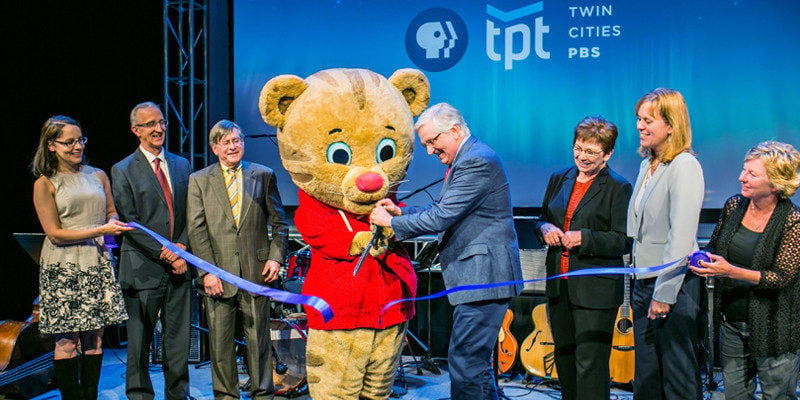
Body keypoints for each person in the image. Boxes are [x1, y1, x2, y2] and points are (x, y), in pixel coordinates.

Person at [370, 102, 523, 400]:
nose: (429, 150)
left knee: (466, 364)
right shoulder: (469, 157)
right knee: (474, 366)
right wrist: (400, 212)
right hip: (479, 279)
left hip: (484, 278)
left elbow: (442, 216)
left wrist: (390, 222)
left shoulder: (477, 160)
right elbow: (442, 208)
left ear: (453, 131)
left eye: (431, 142)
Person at [689, 141, 800, 400]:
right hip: (732, 324)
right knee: (735, 395)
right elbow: (716, 247)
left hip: (776, 328)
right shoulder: (734, 206)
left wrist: (730, 271)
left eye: (752, 173)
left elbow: (780, 277)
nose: (741, 177)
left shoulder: (793, 221)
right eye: (743, 170)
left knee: (778, 396)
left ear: (775, 183)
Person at [187, 120, 289, 399]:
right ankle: (226, 396)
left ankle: (263, 394)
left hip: (257, 274)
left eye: (237, 141)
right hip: (217, 275)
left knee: (259, 343)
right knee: (220, 346)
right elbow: (196, 230)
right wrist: (207, 272)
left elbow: (280, 224)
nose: (232, 146)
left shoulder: (263, 174)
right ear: (214, 147)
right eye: (226, 142)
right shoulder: (199, 180)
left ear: (243, 143)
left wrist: (276, 258)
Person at [31, 115, 130, 400]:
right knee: (67, 342)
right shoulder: (45, 183)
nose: (78, 146)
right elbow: (55, 233)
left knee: (95, 339)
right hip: (64, 267)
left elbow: (111, 210)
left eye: (80, 140)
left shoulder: (97, 175)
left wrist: (113, 222)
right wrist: (101, 229)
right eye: (69, 142)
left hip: (96, 262)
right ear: (51, 145)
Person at [535, 116, 632, 400]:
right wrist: (544, 229)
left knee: (590, 363)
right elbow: (541, 220)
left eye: (591, 152)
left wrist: (584, 238)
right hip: (559, 284)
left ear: (608, 154)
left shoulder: (618, 187)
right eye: (578, 148)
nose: (582, 157)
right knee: (564, 355)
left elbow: (622, 240)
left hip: (595, 289)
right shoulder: (559, 178)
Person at [627, 88, 705, 399]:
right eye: (638, 119)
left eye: (648, 120)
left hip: (672, 288)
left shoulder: (684, 166)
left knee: (677, 380)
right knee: (646, 379)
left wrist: (664, 293)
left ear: (671, 125)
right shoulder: (647, 166)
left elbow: (681, 237)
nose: (639, 126)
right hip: (642, 285)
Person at [111, 102, 193, 400]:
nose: (158, 129)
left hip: (181, 267)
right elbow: (129, 221)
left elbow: (191, 212)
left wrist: (182, 247)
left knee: (178, 341)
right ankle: (140, 396)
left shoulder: (182, 164)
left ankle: (178, 396)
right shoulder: (122, 170)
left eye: (161, 122)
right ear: (136, 130)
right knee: (139, 344)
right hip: (143, 268)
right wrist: (167, 252)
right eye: (149, 125)